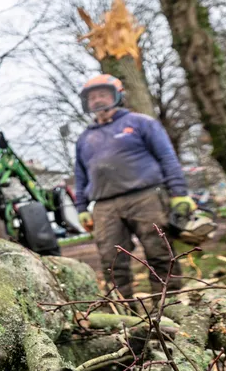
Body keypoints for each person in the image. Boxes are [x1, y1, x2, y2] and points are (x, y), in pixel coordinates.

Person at [73, 74, 196, 301]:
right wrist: (81, 208)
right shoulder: (84, 139)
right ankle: (124, 315)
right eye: (92, 97)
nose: (97, 100)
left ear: (117, 95)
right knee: (111, 261)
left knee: (159, 252)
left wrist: (179, 194)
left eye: (102, 94)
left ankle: (170, 306)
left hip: (146, 197)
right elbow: (80, 176)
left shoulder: (141, 123)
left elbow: (168, 158)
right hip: (104, 206)